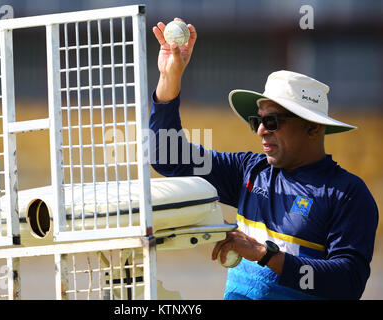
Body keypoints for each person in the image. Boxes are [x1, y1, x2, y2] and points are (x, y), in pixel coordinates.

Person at [149, 18, 379, 300]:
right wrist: (169, 78)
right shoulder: (249, 171)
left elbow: (347, 282)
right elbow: (168, 157)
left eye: (272, 121)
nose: (259, 130)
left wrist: (265, 254)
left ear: (312, 127)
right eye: (257, 120)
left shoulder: (348, 194)